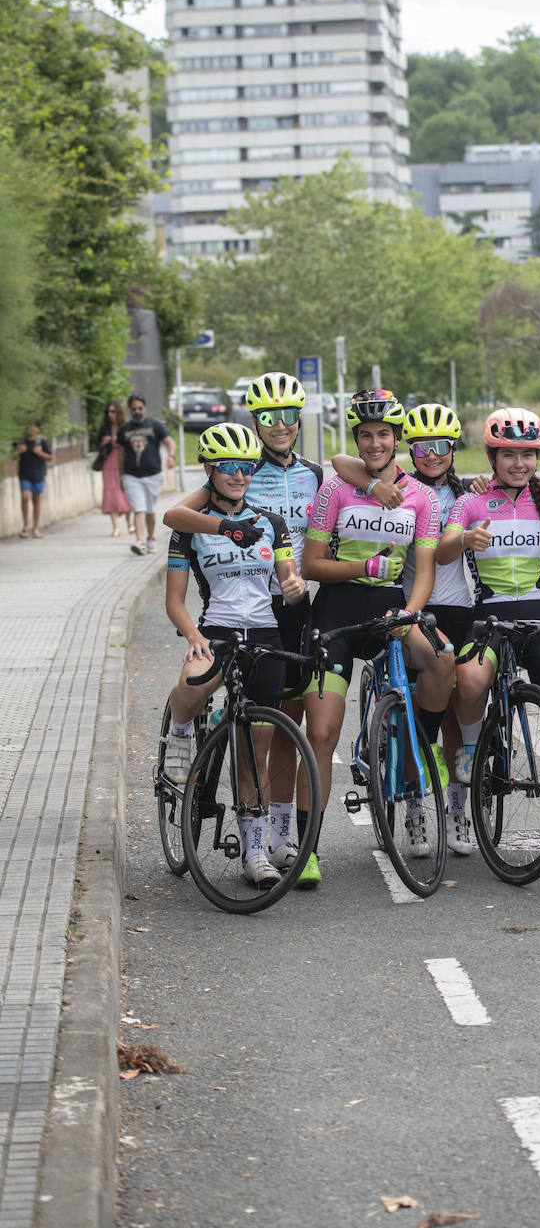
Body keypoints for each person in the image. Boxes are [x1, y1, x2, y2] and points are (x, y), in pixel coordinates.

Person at [333, 400, 540, 858]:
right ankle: (413, 809)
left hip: (461, 610)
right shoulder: (395, 485)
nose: (431, 454)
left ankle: (458, 808)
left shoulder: (469, 489)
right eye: (422, 446)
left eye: (441, 445)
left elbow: (521, 479)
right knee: (417, 713)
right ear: (409, 447)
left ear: (455, 448)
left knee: (458, 711)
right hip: (412, 605)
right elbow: (342, 463)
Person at [163, 371, 324, 883]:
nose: (238, 476)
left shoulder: (270, 524)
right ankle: (181, 737)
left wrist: (295, 586)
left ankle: (255, 850)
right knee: (190, 687)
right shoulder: (192, 528)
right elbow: (174, 601)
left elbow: (287, 575)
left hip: (267, 636)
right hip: (217, 630)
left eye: (245, 468)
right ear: (210, 470)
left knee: (255, 748)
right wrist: (194, 637)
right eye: (228, 468)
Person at [302, 389, 456, 871]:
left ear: (397, 440)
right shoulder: (336, 489)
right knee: (322, 733)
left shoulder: (422, 497)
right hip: (335, 617)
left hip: (389, 611)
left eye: (383, 435)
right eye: (365, 435)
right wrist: (361, 567)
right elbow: (311, 566)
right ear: (357, 438)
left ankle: (426, 742)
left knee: (442, 657)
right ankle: (306, 849)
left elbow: (424, 568)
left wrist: (410, 612)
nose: (374, 444)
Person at [436, 406, 540, 868]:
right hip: (490, 614)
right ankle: (465, 769)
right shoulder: (471, 501)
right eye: (508, 455)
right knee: (468, 684)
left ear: (538, 457)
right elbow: (443, 552)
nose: (518, 463)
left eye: (527, 454)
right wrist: (465, 541)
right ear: (491, 456)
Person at [117, 394, 175, 555]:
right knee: (139, 508)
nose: (137, 411)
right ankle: (140, 541)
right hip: (131, 476)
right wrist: (120, 476)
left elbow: (169, 442)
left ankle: (150, 538)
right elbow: (120, 454)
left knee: (149, 510)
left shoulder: (155, 425)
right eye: (134, 409)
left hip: (153, 475)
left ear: (145, 408)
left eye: (139, 408)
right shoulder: (124, 429)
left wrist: (171, 456)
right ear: (130, 410)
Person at [95, 399, 134, 536]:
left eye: (113, 411)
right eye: (108, 412)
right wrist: (103, 443)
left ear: (119, 412)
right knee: (111, 494)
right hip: (108, 464)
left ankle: (130, 523)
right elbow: (97, 447)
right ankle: (116, 527)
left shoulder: (126, 427)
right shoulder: (104, 428)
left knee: (126, 493)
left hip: (123, 464)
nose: (110, 414)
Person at [15, 421, 53, 538]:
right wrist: (18, 451)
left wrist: (39, 452)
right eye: (29, 426)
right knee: (25, 497)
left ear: (37, 428)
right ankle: (26, 525)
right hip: (24, 474)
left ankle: (35, 528)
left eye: (33, 426)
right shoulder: (21, 441)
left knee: (36, 500)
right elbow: (10, 457)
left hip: (38, 474)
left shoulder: (41, 441)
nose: (31, 428)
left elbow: (50, 457)